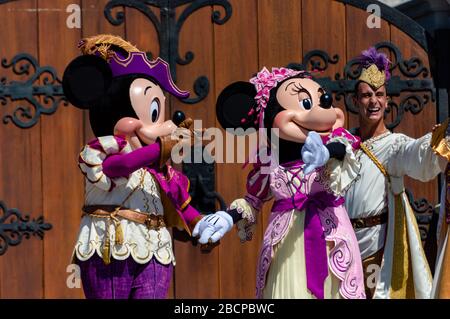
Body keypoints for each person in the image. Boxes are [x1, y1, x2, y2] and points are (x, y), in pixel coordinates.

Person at [344, 47, 449, 298]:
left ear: (387, 101)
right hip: (342, 246)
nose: (374, 101)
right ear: (356, 101)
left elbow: (416, 154)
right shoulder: (344, 144)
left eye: (379, 95)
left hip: (376, 246)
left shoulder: (394, 146)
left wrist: (438, 142)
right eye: (367, 95)